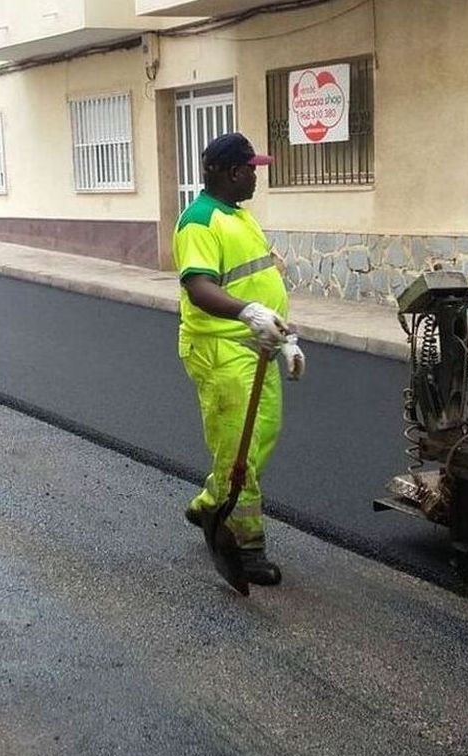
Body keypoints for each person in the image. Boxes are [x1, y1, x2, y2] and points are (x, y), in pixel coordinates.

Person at [176, 132, 306, 587]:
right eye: (252, 169)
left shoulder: (239, 217)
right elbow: (199, 287)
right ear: (232, 173)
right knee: (238, 451)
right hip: (221, 349)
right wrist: (248, 314)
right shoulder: (199, 221)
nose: (256, 176)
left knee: (262, 435)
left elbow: (260, 281)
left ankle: (211, 505)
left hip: (257, 348)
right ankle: (247, 546)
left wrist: (285, 338)